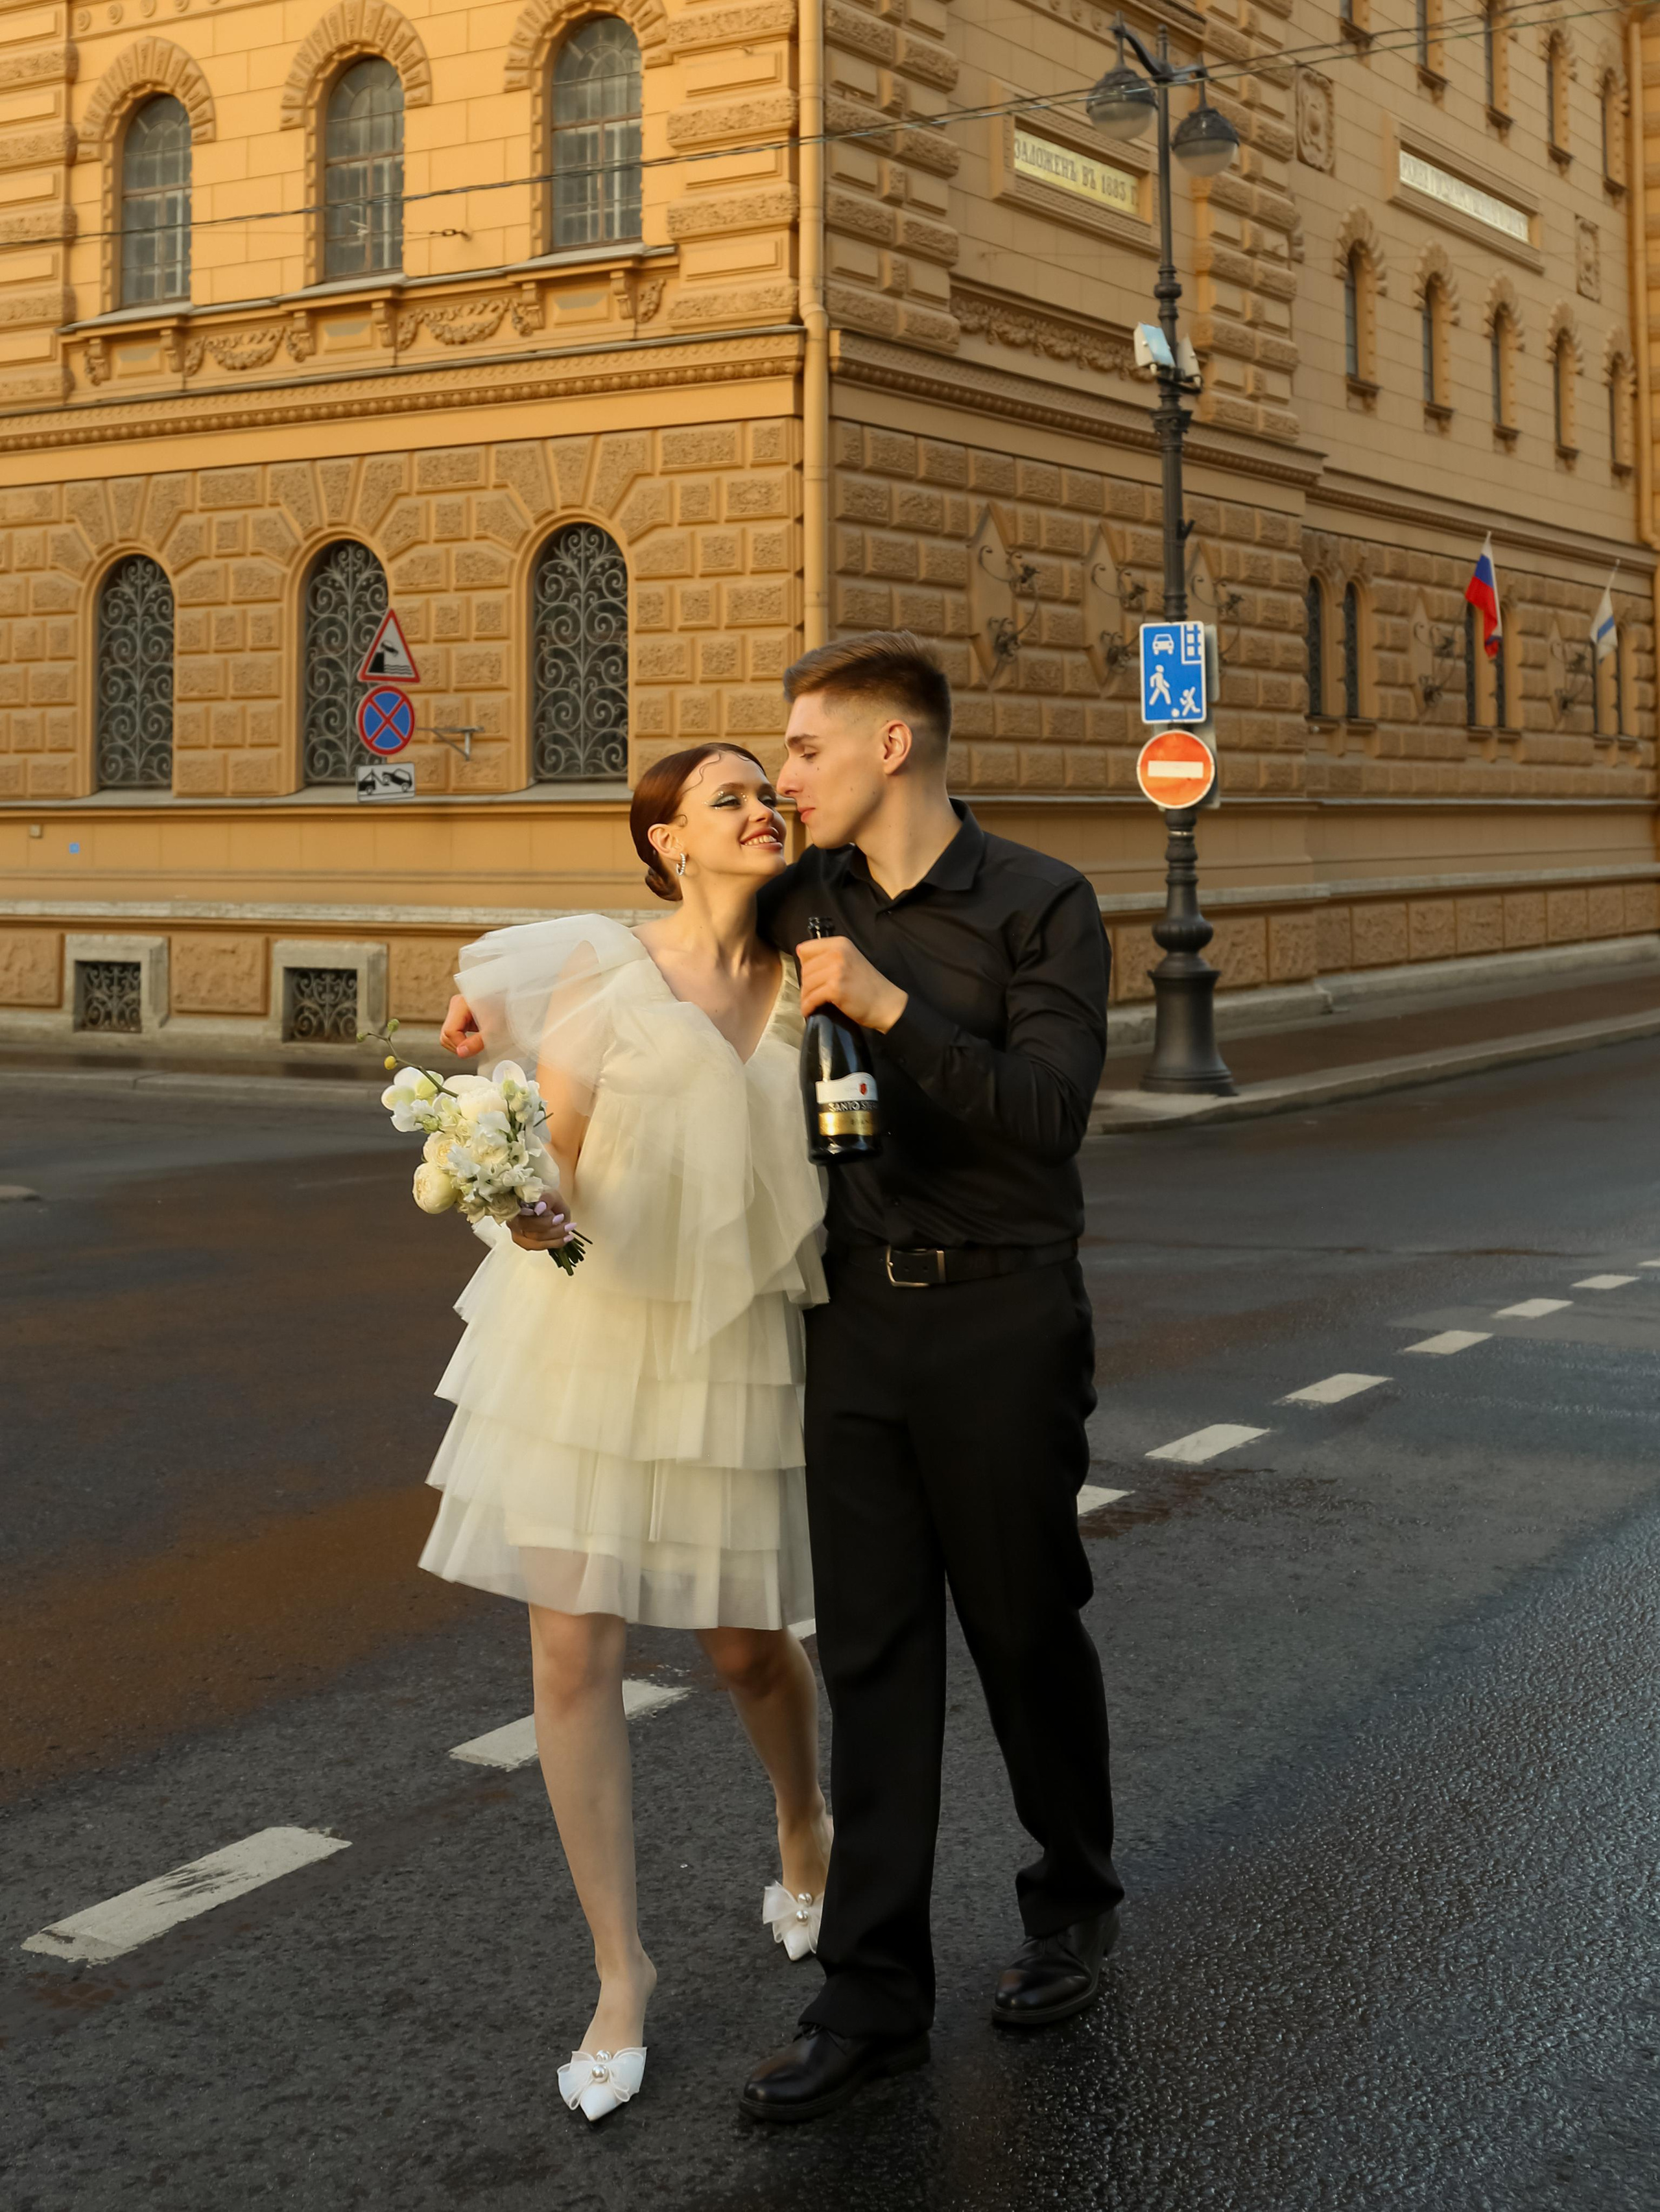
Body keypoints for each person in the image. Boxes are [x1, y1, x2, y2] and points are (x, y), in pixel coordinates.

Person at [442, 631, 1122, 2126]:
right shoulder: (799, 892)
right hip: (850, 1329)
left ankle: (1069, 1900)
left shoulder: (1039, 905)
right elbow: (643, 938)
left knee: (1020, 1627)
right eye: (761, 771)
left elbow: (1046, 1113)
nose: (779, 778)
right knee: (872, 1657)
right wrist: (489, 1016)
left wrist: (886, 1010)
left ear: (890, 746)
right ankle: (873, 1995)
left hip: (1002, 1317)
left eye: (799, 750)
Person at [423, 742, 833, 2126]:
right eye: (725, 795)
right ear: (665, 841)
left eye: (762, 788)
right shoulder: (608, 974)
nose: (757, 804)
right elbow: (556, 1165)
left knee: (740, 1642)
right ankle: (618, 1969)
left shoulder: (816, 984)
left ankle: (800, 1819)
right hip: (589, 1333)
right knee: (568, 1642)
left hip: (736, 1350)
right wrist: (526, 1208)